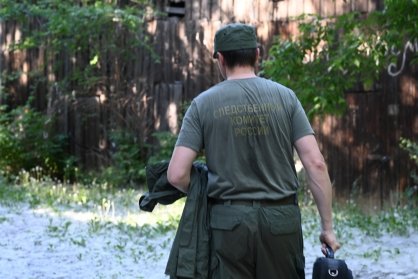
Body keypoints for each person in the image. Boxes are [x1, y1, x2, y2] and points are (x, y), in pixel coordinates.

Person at [167, 23, 340, 279]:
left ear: (221, 59)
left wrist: (206, 185)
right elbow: (316, 164)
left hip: (228, 224)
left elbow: (177, 175)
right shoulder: (286, 98)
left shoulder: (202, 105)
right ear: (257, 54)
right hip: (281, 222)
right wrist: (327, 227)